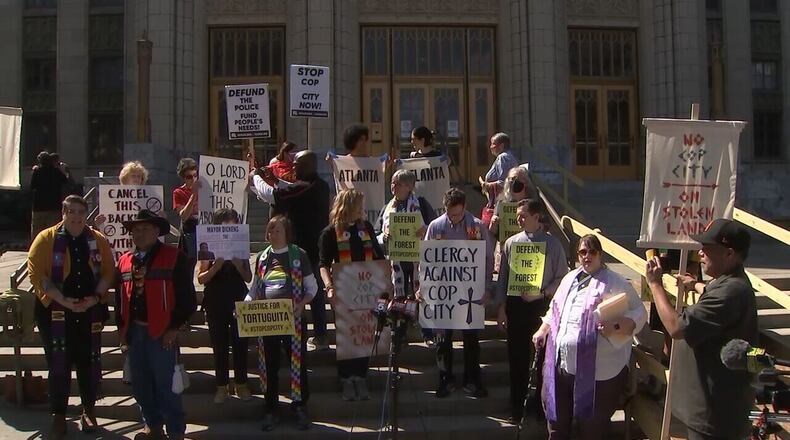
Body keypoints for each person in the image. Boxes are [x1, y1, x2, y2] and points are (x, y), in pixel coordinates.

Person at [646, 219, 757, 440]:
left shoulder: (732, 291)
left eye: (708, 248)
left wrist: (655, 285)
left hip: (715, 419)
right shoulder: (726, 284)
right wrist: (696, 284)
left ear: (729, 254)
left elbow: (676, 327)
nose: (701, 252)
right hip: (707, 412)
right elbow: (715, 293)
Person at [532, 234, 646, 440]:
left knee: (591, 428)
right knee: (557, 423)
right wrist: (543, 329)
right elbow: (554, 309)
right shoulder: (569, 279)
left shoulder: (615, 281)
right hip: (562, 365)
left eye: (592, 251)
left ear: (600, 254)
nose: (587, 256)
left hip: (599, 371)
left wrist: (621, 323)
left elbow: (639, 312)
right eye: (583, 252)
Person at [27, 195, 116, 439]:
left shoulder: (97, 240)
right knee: (59, 365)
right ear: (63, 212)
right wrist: (63, 300)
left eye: (80, 212)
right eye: (72, 211)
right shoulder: (46, 239)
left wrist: (95, 298)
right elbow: (38, 275)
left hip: (90, 310)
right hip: (55, 312)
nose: (77, 217)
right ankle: (58, 415)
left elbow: (108, 271)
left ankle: (89, 410)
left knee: (87, 362)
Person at [117, 209, 197, 440]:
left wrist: (173, 328)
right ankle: (152, 425)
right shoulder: (124, 261)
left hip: (162, 333)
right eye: (135, 229)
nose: (139, 233)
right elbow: (120, 298)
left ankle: (175, 431)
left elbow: (188, 299)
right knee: (140, 385)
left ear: (157, 231)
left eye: (145, 228)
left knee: (166, 386)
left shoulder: (174, 257)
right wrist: (122, 331)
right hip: (134, 333)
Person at [496, 199, 568, 424]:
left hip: (541, 308)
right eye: (517, 215)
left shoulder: (553, 245)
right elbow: (503, 280)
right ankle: (517, 408)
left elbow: (562, 280)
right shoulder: (510, 243)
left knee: (542, 362)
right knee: (516, 359)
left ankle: (541, 407)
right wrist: (501, 309)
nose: (518, 219)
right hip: (516, 306)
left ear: (537, 217)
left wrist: (542, 293)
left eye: (523, 215)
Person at [251, 150, 331, 350]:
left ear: (308, 165)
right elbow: (289, 189)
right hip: (315, 246)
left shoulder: (306, 186)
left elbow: (274, 196)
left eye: (296, 164)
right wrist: (274, 179)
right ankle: (320, 334)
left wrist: (256, 177)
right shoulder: (319, 185)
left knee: (300, 291)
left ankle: (300, 334)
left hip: (302, 250)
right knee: (316, 292)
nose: (292, 167)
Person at [421, 188, 494, 398]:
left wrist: (488, 288)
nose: (453, 218)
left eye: (458, 214)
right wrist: (424, 286)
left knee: (471, 338)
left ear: (464, 208)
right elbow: (427, 258)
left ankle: (472, 379)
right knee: (443, 339)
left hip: (471, 291)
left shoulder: (476, 226)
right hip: (444, 291)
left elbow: (488, 259)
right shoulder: (436, 227)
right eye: (450, 214)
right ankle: (446, 378)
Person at [247, 215, 318, 431]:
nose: (272, 234)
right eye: (270, 230)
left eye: (277, 230)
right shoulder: (262, 257)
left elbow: (312, 287)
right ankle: (271, 408)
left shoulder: (299, 255)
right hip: (267, 322)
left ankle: (299, 406)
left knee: (297, 363)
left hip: (293, 321)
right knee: (268, 366)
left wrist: (301, 304)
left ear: (287, 233)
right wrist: (246, 306)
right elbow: (254, 289)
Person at [319, 189, 385, 401]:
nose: (362, 210)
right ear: (348, 206)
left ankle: (361, 377)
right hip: (343, 291)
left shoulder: (365, 228)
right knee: (347, 336)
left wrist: (387, 282)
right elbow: (323, 264)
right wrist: (329, 286)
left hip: (366, 291)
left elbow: (378, 256)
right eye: (359, 206)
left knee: (364, 333)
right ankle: (347, 379)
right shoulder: (330, 232)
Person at [197, 208, 252, 404]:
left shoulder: (241, 245)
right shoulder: (207, 246)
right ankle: (221, 386)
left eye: (234, 223)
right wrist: (215, 266)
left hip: (238, 297)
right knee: (219, 345)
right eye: (226, 223)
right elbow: (201, 278)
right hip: (215, 299)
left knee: (240, 344)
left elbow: (248, 277)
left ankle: (241, 384)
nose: (230, 226)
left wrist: (238, 265)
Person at [375, 169, 435, 298]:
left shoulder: (421, 205)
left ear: (409, 187)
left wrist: (425, 231)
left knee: (417, 296)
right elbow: (376, 234)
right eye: (392, 183)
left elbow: (435, 228)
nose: (393, 186)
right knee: (399, 298)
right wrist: (383, 237)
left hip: (418, 259)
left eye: (398, 184)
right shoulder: (386, 208)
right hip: (396, 259)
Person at [94, 161, 150, 228]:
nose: (136, 179)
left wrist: (161, 218)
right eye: (133, 176)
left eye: (139, 176)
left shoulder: (148, 198)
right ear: (125, 178)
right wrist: (99, 224)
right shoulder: (112, 198)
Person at [489, 166, 538, 241]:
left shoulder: (534, 203)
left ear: (526, 183)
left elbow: (544, 227)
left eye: (516, 179)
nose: (513, 183)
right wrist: (493, 224)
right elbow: (493, 232)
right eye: (510, 180)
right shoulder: (501, 203)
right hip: (506, 248)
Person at [29, 151, 70, 240]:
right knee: (53, 232)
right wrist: (63, 171)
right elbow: (66, 181)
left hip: (39, 206)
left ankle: (37, 249)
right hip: (54, 206)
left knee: (37, 231)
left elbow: (32, 186)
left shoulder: (37, 172)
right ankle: (52, 250)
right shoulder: (56, 172)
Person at [172, 158, 199, 270]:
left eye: (195, 175)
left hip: (204, 227)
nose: (193, 179)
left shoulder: (206, 189)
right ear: (183, 178)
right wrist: (193, 195)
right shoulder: (178, 192)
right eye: (189, 177)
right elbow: (183, 215)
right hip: (190, 231)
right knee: (189, 264)